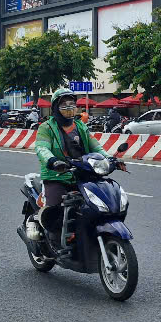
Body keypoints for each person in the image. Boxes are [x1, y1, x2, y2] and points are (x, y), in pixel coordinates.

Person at [31, 88, 107, 245]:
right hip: (56, 176)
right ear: (55, 108)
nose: (69, 107)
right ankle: (53, 240)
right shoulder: (47, 127)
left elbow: (96, 147)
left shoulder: (80, 126)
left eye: (71, 103)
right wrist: (52, 161)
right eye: (64, 104)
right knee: (55, 211)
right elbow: (41, 148)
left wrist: (110, 159)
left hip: (82, 175)